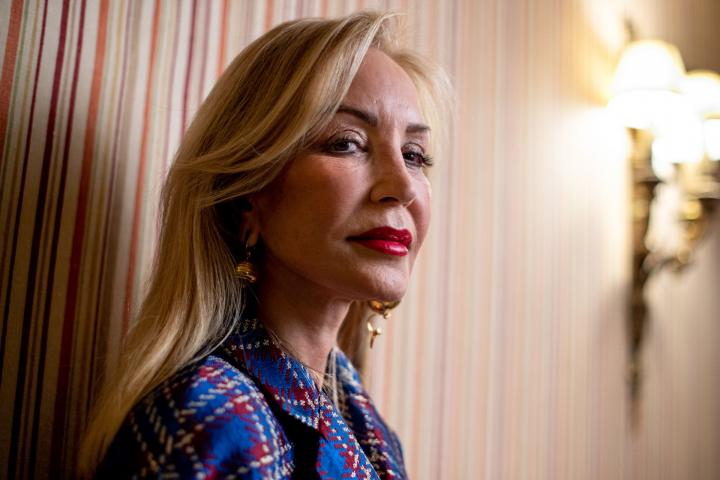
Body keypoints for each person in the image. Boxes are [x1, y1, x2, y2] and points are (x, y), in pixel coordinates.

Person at [79, 10, 449, 479]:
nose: (404, 185)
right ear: (246, 198)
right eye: (346, 143)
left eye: (414, 155)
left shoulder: (370, 428)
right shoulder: (209, 426)